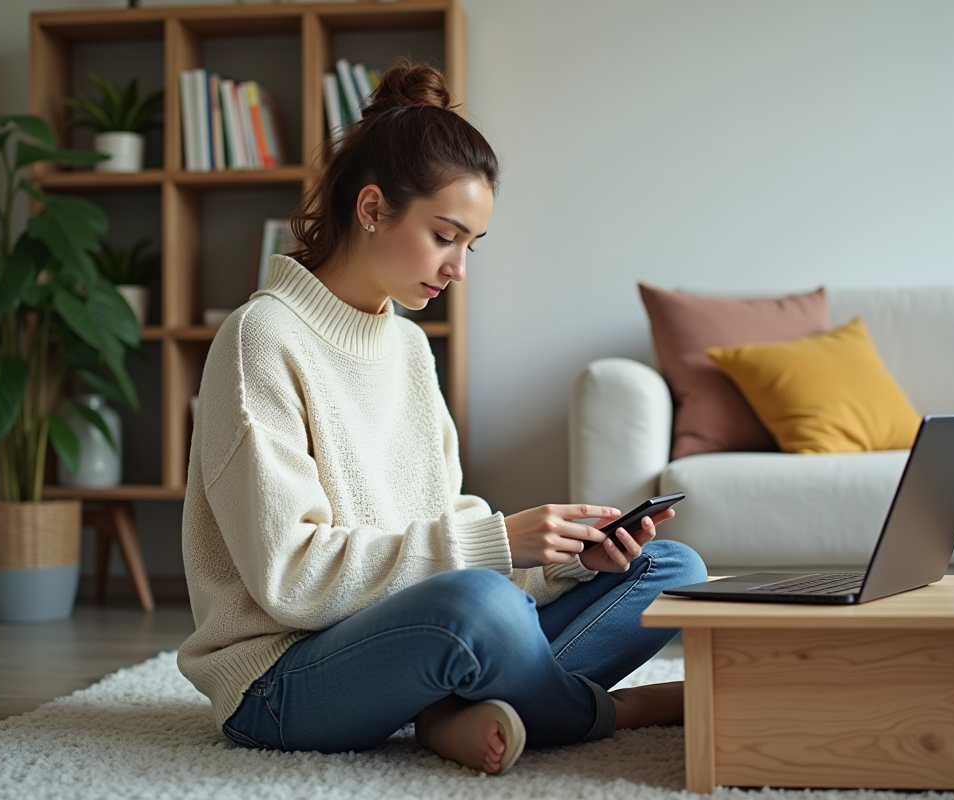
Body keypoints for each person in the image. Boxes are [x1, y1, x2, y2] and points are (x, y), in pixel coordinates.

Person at [177, 62, 707, 777]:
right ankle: (608, 711)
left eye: (470, 246)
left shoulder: (407, 347)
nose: (459, 268)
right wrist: (496, 543)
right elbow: (291, 579)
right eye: (445, 237)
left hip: (412, 637)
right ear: (371, 208)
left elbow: (445, 520)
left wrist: (561, 567)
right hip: (280, 681)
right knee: (480, 605)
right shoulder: (260, 338)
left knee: (671, 568)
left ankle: (447, 709)